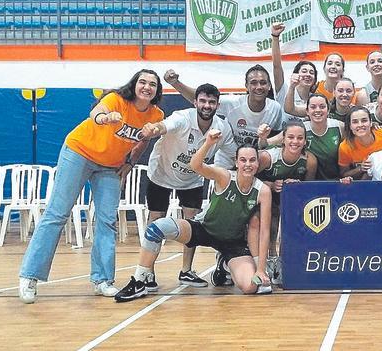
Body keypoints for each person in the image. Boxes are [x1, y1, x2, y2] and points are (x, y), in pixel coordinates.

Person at [18, 70, 164, 303]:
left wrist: (129, 163)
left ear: (157, 91)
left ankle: (103, 280)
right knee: (57, 213)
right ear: (134, 85)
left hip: (110, 166)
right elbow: (97, 111)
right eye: (142, 82)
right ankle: (29, 276)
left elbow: (143, 141)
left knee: (107, 220)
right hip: (79, 152)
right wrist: (102, 118)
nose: (147, 87)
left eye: (152, 85)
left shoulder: (156, 115)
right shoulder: (116, 100)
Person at [113, 129, 273, 302]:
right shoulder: (225, 177)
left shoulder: (262, 191)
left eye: (252, 160)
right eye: (243, 160)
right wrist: (208, 143)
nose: (248, 164)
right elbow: (195, 166)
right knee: (157, 228)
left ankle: (225, 264)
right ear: (236, 162)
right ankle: (139, 280)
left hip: (233, 242)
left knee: (250, 287)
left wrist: (260, 269)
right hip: (204, 228)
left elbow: (264, 231)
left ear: (258, 163)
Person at [138, 83, 235, 291]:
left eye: (211, 102)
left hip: (192, 178)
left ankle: (187, 271)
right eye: (203, 101)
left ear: (217, 105)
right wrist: (153, 129)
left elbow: (232, 153)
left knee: (191, 224)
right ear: (195, 102)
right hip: (161, 173)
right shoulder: (182, 117)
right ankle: (147, 272)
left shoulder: (222, 127)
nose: (207, 105)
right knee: (156, 221)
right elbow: (164, 126)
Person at [165, 25, 285, 166]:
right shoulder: (233, 103)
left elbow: (275, 137)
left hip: (253, 162)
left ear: (269, 86)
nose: (258, 87)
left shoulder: (275, 108)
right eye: (253, 83)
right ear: (246, 86)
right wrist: (176, 83)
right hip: (227, 159)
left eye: (263, 83)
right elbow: (200, 96)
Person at [256, 119, 317, 286]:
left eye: (300, 138)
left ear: (305, 140)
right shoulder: (267, 157)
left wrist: (298, 186)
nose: (295, 142)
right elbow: (248, 178)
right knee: (272, 223)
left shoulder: (310, 160)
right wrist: (270, 184)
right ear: (283, 139)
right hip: (264, 197)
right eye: (291, 137)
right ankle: (270, 259)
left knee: (289, 224)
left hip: (290, 200)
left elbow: (309, 189)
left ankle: (283, 262)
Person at [339, 106, 382, 180]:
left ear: (371, 122)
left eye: (364, 120)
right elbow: (344, 174)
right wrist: (361, 168)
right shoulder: (345, 147)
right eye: (355, 122)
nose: (360, 125)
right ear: (350, 126)